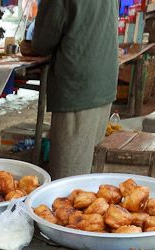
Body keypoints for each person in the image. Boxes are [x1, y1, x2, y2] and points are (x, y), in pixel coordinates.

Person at [30, 0, 118, 180]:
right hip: (104, 78)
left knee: (68, 181)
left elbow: (42, 42)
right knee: (87, 175)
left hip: (78, 85)